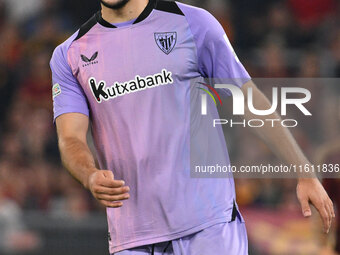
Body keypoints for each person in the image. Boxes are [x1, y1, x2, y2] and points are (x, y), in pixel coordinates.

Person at [50, 0, 335, 254]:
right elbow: (71, 139)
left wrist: (303, 170)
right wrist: (89, 176)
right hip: (132, 237)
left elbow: (249, 101)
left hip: (208, 226)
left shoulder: (192, 23)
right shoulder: (70, 54)